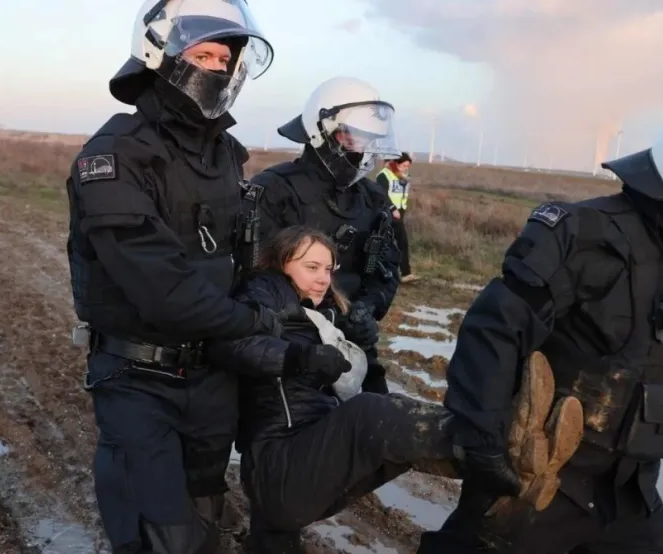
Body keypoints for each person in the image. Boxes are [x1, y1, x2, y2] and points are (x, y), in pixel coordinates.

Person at [416, 100, 663, 553]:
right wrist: (481, 442)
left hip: (631, 496)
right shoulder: (584, 233)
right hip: (541, 483)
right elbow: (494, 330)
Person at [207, 225, 584, 553]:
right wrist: (299, 358)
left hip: (302, 474)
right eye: (311, 267)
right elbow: (236, 345)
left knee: (394, 439)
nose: (323, 278)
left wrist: (363, 348)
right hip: (280, 468)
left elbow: (352, 379)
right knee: (370, 415)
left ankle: (514, 470)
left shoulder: (321, 316)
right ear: (280, 263)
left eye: (328, 269)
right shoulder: (264, 290)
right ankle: (503, 439)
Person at [64, 1, 286, 551]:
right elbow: (161, 287)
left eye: (225, 57)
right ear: (158, 54)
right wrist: (257, 319)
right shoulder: (116, 155)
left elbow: (247, 259)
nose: (217, 67)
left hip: (213, 379)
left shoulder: (227, 157)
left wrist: (272, 295)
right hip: (139, 379)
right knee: (159, 535)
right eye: (203, 53)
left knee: (205, 520)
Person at [246, 76, 403, 395]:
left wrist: (365, 310)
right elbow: (253, 278)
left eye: (371, 141)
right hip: (289, 351)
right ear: (325, 134)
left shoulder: (373, 199)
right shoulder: (275, 189)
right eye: (356, 138)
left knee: (375, 432)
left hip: (353, 349)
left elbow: (386, 272)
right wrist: (323, 316)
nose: (364, 150)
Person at [377, 152, 418, 283]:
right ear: (396, 163)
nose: (406, 168)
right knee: (395, 242)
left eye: (408, 166)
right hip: (388, 213)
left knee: (399, 243)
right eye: (404, 165)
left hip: (400, 212)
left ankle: (404, 273)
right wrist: (392, 208)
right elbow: (382, 195)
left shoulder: (404, 176)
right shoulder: (384, 175)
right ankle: (404, 272)